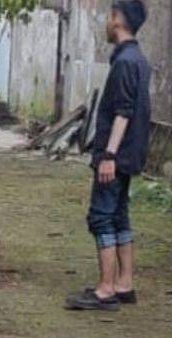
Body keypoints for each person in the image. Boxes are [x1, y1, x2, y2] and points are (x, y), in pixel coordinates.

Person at [66, 0, 151, 311]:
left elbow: (123, 112)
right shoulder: (136, 59)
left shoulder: (126, 62)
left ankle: (105, 290)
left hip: (117, 155)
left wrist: (109, 156)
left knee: (101, 217)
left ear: (118, 19)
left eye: (108, 15)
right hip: (130, 154)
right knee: (119, 216)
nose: (105, 21)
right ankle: (124, 284)